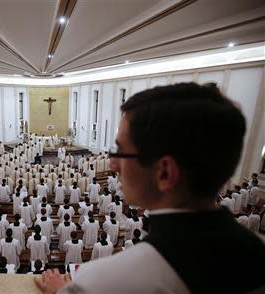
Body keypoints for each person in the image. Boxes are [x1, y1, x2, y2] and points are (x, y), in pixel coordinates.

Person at [35, 83, 265, 293]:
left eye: (121, 151)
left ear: (164, 172)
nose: (113, 163)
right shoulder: (256, 254)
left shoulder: (105, 281)